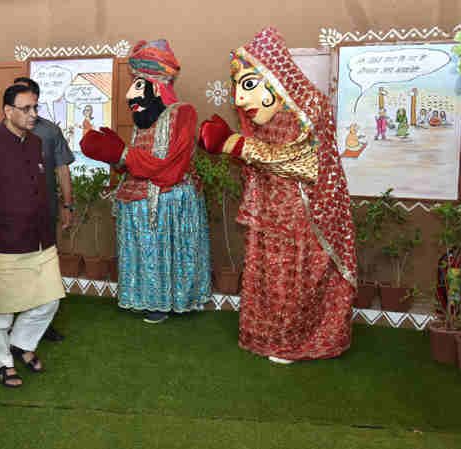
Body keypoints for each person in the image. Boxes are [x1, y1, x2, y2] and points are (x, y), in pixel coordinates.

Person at [198, 27, 356, 364]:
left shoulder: (310, 106)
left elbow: (306, 163)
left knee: (295, 279)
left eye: (250, 85)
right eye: (237, 87)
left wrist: (236, 145)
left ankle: (296, 341)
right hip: (270, 210)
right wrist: (241, 146)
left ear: (276, 79)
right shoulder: (264, 122)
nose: (240, 99)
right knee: (268, 276)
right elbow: (262, 161)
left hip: (305, 215)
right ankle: (266, 336)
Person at [80, 39, 212, 324]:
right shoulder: (144, 121)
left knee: (160, 249)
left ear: (157, 85)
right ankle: (142, 297)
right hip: (139, 196)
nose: (130, 95)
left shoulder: (182, 112)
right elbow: (134, 161)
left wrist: (119, 152)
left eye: (138, 85)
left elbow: (170, 168)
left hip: (168, 198)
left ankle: (164, 302)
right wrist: (110, 151)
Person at [0, 84, 66, 388]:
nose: (33, 114)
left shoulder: (38, 142)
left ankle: (22, 343)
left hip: (40, 240)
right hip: (2, 244)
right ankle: (1, 361)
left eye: (35, 107)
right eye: (25, 108)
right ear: (7, 112)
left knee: (50, 300)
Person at [12, 76, 74, 342]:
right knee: (15, 268)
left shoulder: (50, 131)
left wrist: (68, 205)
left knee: (44, 269)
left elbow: (63, 169)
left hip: (44, 213)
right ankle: (13, 319)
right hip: (12, 216)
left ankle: (42, 323)